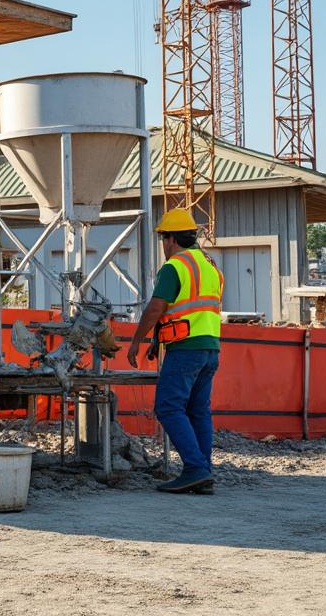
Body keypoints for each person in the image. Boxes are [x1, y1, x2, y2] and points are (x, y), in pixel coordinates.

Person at [125, 208, 223, 494]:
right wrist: (160, 338)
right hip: (210, 347)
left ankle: (194, 468)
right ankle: (203, 472)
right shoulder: (210, 265)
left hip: (185, 349)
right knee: (198, 410)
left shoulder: (175, 266)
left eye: (163, 240)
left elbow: (156, 307)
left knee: (168, 407)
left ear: (170, 240)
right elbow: (190, 309)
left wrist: (137, 341)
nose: (163, 246)